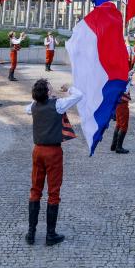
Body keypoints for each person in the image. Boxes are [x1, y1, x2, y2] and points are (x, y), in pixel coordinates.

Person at [24, 78, 83, 246]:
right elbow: (79, 95)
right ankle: (50, 234)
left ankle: (31, 233)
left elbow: (27, 108)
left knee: (35, 189)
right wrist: (68, 88)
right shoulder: (58, 105)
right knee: (53, 191)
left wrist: (43, 96)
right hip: (53, 152)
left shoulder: (33, 107)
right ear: (48, 92)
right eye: (50, 88)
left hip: (37, 151)